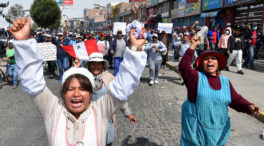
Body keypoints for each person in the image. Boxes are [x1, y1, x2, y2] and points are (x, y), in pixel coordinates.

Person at [11, 17, 147, 146]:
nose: (76, 94)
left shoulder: (100, 110)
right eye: (70, 89)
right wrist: (23, 43)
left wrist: (136, 48)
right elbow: (33, 83)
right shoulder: (52, 109)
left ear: (90, 93)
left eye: (82, 89)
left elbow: (124, 85)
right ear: (63, 93)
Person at [179, 34, 261, 146]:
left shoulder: (225, 81)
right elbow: (183, 67)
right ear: (201, 65)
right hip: (196, 133)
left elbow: (235, 99)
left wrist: (249, 106)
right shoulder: (196, 78)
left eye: (213, 59)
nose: (209, 61)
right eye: (206, 60)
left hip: (219, 132)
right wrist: (193, 45)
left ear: (218, 64)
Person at [74, 52, 136, 145]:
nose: (96, 66)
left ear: (102, 65)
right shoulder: (83, 78)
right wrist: (75, 69)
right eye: (93, 64)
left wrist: (128, 114)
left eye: (98, 64)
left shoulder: (109, 78)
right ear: (89, 65)